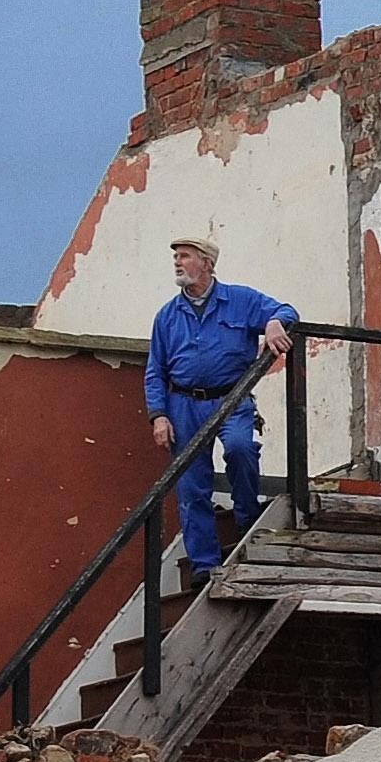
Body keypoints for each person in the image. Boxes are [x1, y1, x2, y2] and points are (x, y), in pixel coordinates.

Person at [145, 239, 297, 580]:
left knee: (241, 449)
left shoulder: (240, 300)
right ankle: (203, 564)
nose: (177, 262)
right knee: (191, 485)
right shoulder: (167, 316)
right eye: (175, 257)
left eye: (184, 256)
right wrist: (158, 414)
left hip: (232, 398)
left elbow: (286, 310)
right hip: (183, 404)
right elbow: (155, 369)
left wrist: (275, 323)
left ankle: (246, 517)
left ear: (207, 264)